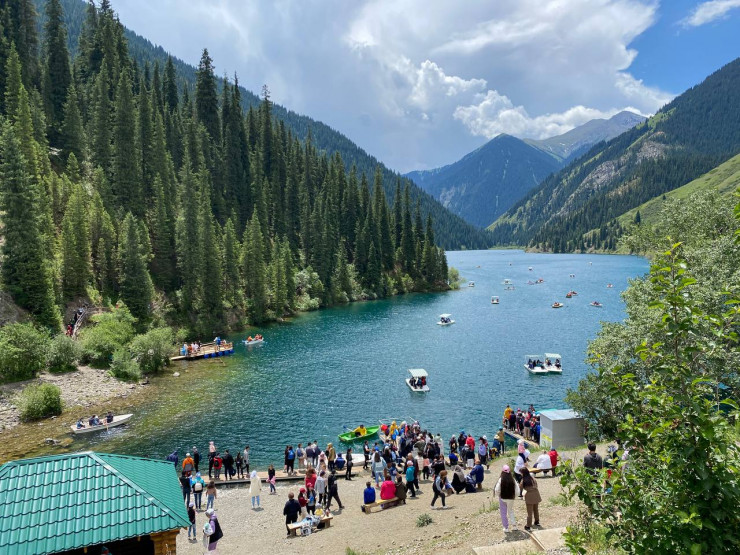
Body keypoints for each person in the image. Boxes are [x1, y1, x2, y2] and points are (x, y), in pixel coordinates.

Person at [495, 465, 519, 532]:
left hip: (503, 498)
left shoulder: (501, 479)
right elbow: (517, 490)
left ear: (502, 471)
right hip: (511, 498)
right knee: (510, 511)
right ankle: (514, 526)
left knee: (503, 513)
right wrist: (515, 496)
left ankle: (506, 527)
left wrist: (499, 495)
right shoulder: (513, 479)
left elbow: (497, 490)